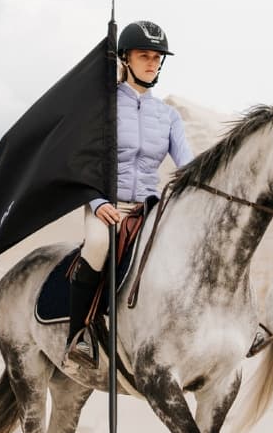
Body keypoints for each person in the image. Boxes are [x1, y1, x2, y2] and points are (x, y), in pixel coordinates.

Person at [61, 20, 193, 372]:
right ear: (125, 58)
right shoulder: (103, 107)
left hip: (148, 208)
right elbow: (81, 159)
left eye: (157, 57)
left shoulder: (168, 117)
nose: (152, 63)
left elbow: (188, 166)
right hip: (106, 205)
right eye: (144, 56)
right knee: (98, 245)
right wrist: (97, 202)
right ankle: (80, 335)